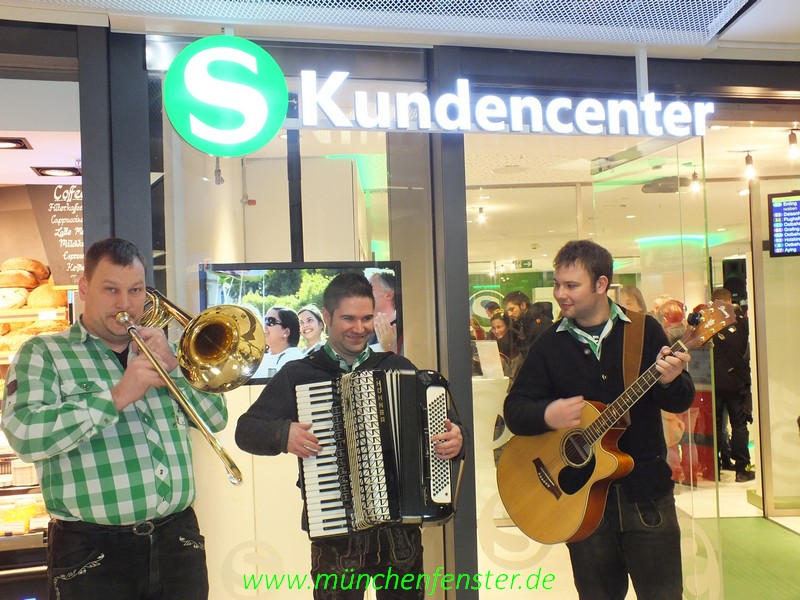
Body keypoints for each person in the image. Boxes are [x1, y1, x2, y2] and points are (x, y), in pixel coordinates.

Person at [0, 237, 226, 599]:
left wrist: (174, 369)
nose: (126, 304)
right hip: (92, 552)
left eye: (135, 290)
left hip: (178, 540)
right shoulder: (44, 353)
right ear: (85, 288)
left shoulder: (161, 351)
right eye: (111, 289)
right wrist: (117, 396)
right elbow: (25, 435)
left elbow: (215, 419)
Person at [235, 272, 463, 599]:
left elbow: (448, 425)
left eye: (367, 318)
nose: (360, 328)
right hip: (336, 538)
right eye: (349, 318)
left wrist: (457, 439)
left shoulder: (398, 367)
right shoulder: (300, 373)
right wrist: (282, 433)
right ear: (327, 318)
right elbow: (246, 431)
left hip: (400, 536)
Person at [504, 240, 695, 600]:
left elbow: (680, 398)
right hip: (581, 503)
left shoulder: (645, 331)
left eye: (571, 285)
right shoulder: (548, 345)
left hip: (646, 497)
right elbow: (515, 410)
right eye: (558, 283)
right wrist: (548, 413)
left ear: (601, 284)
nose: (560, 294)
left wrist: (670, 380)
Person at [711, 287, 755, 482]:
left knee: (716, 425)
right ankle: (741, 469)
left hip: (714, 384)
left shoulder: (707, 328)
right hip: (736, 383)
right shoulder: (739, 325)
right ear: (729, 301)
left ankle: (717, 464)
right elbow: (745, 354)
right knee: (738, 425)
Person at [254, 305, 305, 379]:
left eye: (270, 321)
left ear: (286, 332)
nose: (264, 326)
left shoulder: (294, 358)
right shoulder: (263, 358)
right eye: (264, 321)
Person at [367, 269, 399, 353]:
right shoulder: (364, 331)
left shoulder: (402, 330)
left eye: (369, 289)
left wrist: (390, 348)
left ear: (388, 295)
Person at [489, 311, 522, 376]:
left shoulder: (518, 342)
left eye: (499, 327)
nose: (496, 331)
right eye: (493, 328)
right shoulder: (492, 343)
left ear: (507, 326)